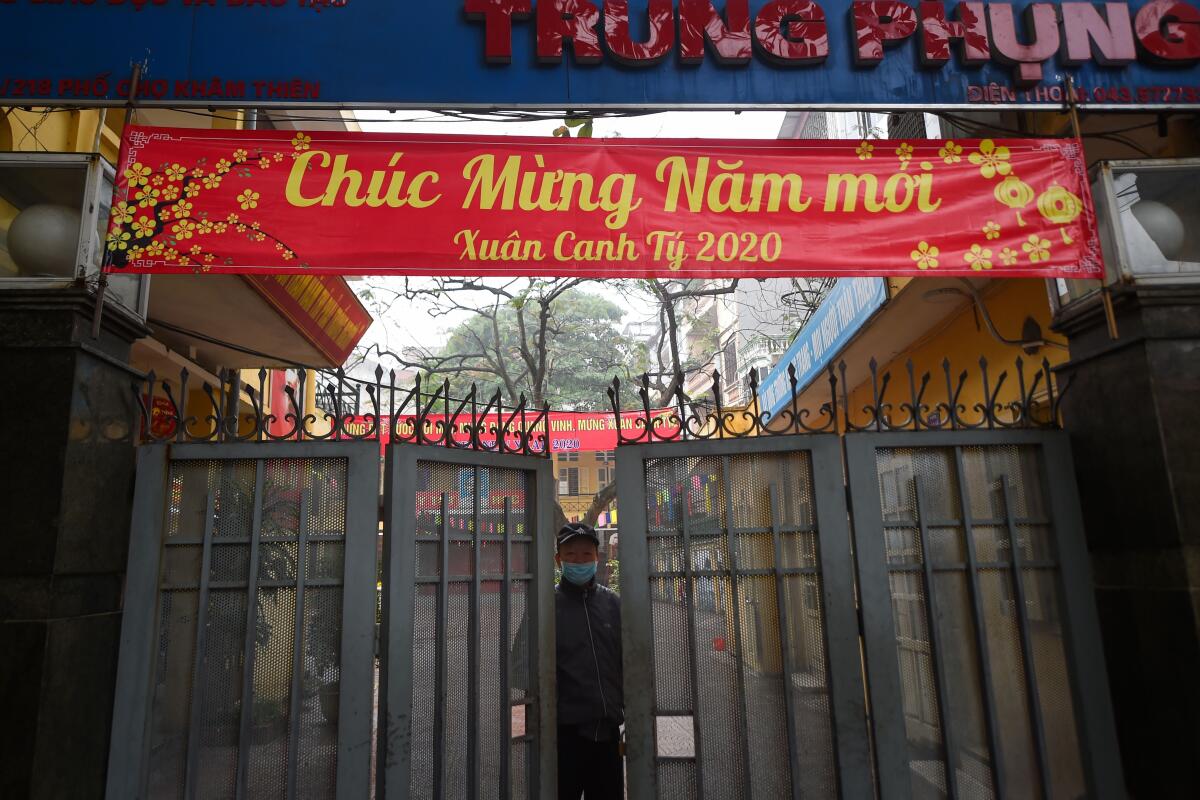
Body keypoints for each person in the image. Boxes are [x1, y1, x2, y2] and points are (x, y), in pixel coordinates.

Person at [555, 521, 624, 800]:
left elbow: (629, 661)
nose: (579, 561)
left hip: (607, 736)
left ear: (597, 557)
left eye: (586, 555)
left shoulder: (612, 604)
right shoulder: (546, 606)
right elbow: (523, 666)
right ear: (558, 560)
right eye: (571, 555)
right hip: (564, 738)